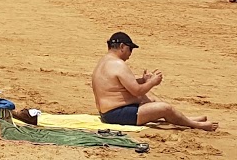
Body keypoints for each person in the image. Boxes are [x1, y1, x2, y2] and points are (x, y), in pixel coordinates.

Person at [89, 32, 218, 129]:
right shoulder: (118, 64)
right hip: (117, 115)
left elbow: (118, 84)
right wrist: (152, 82)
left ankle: (185, 118)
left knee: (151, 98)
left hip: (109, 112)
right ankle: (195, 125)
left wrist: (142, 80)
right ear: (122, 46)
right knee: (165, 108)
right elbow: (136, 91)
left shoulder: (105, 61)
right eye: (130, 49)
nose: (130, 53)